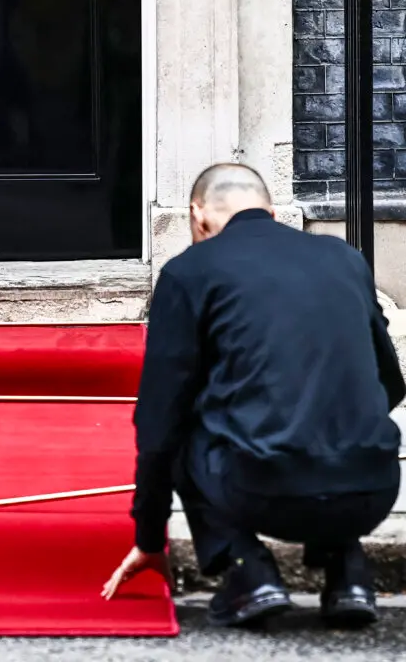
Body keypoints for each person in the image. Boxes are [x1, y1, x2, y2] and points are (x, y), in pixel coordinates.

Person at [101, 163, 404, 628]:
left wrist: (149, 537)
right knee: (327, 426)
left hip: (262, 488)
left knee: (180, 428)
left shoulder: (189, 271)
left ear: (197, 215)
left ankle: (248, 571)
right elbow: (391, 381)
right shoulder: (344, 258)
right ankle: (349, 574)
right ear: (271, 209)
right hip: (373, 486)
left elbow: (159, 420)